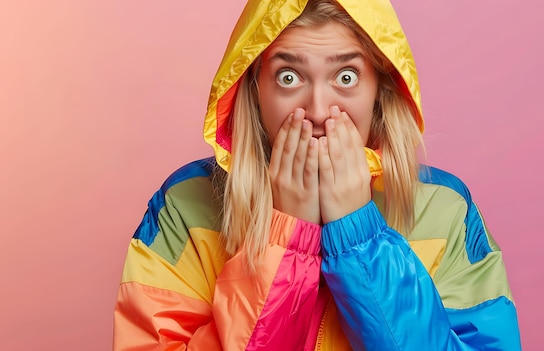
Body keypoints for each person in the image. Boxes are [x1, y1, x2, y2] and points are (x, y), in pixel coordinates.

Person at [113, 0, 521, 349]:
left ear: (381, 87)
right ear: (253, 87)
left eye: (346, 77)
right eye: (289, 77)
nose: (319, 111)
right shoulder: (186, 205)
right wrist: (284, 243)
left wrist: (360, 236)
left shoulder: (446, 210)